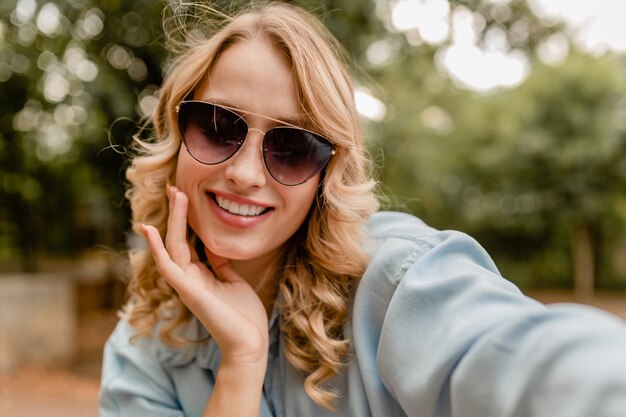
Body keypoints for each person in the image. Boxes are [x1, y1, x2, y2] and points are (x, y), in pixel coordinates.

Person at [99, 2, 626, 416]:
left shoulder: (396, 283)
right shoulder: (140, 353)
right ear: (177, 136)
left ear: (326, 176)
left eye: (292, 147)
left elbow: (526, 365)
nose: (245, 173)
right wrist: (242, 361)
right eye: (217, 127)